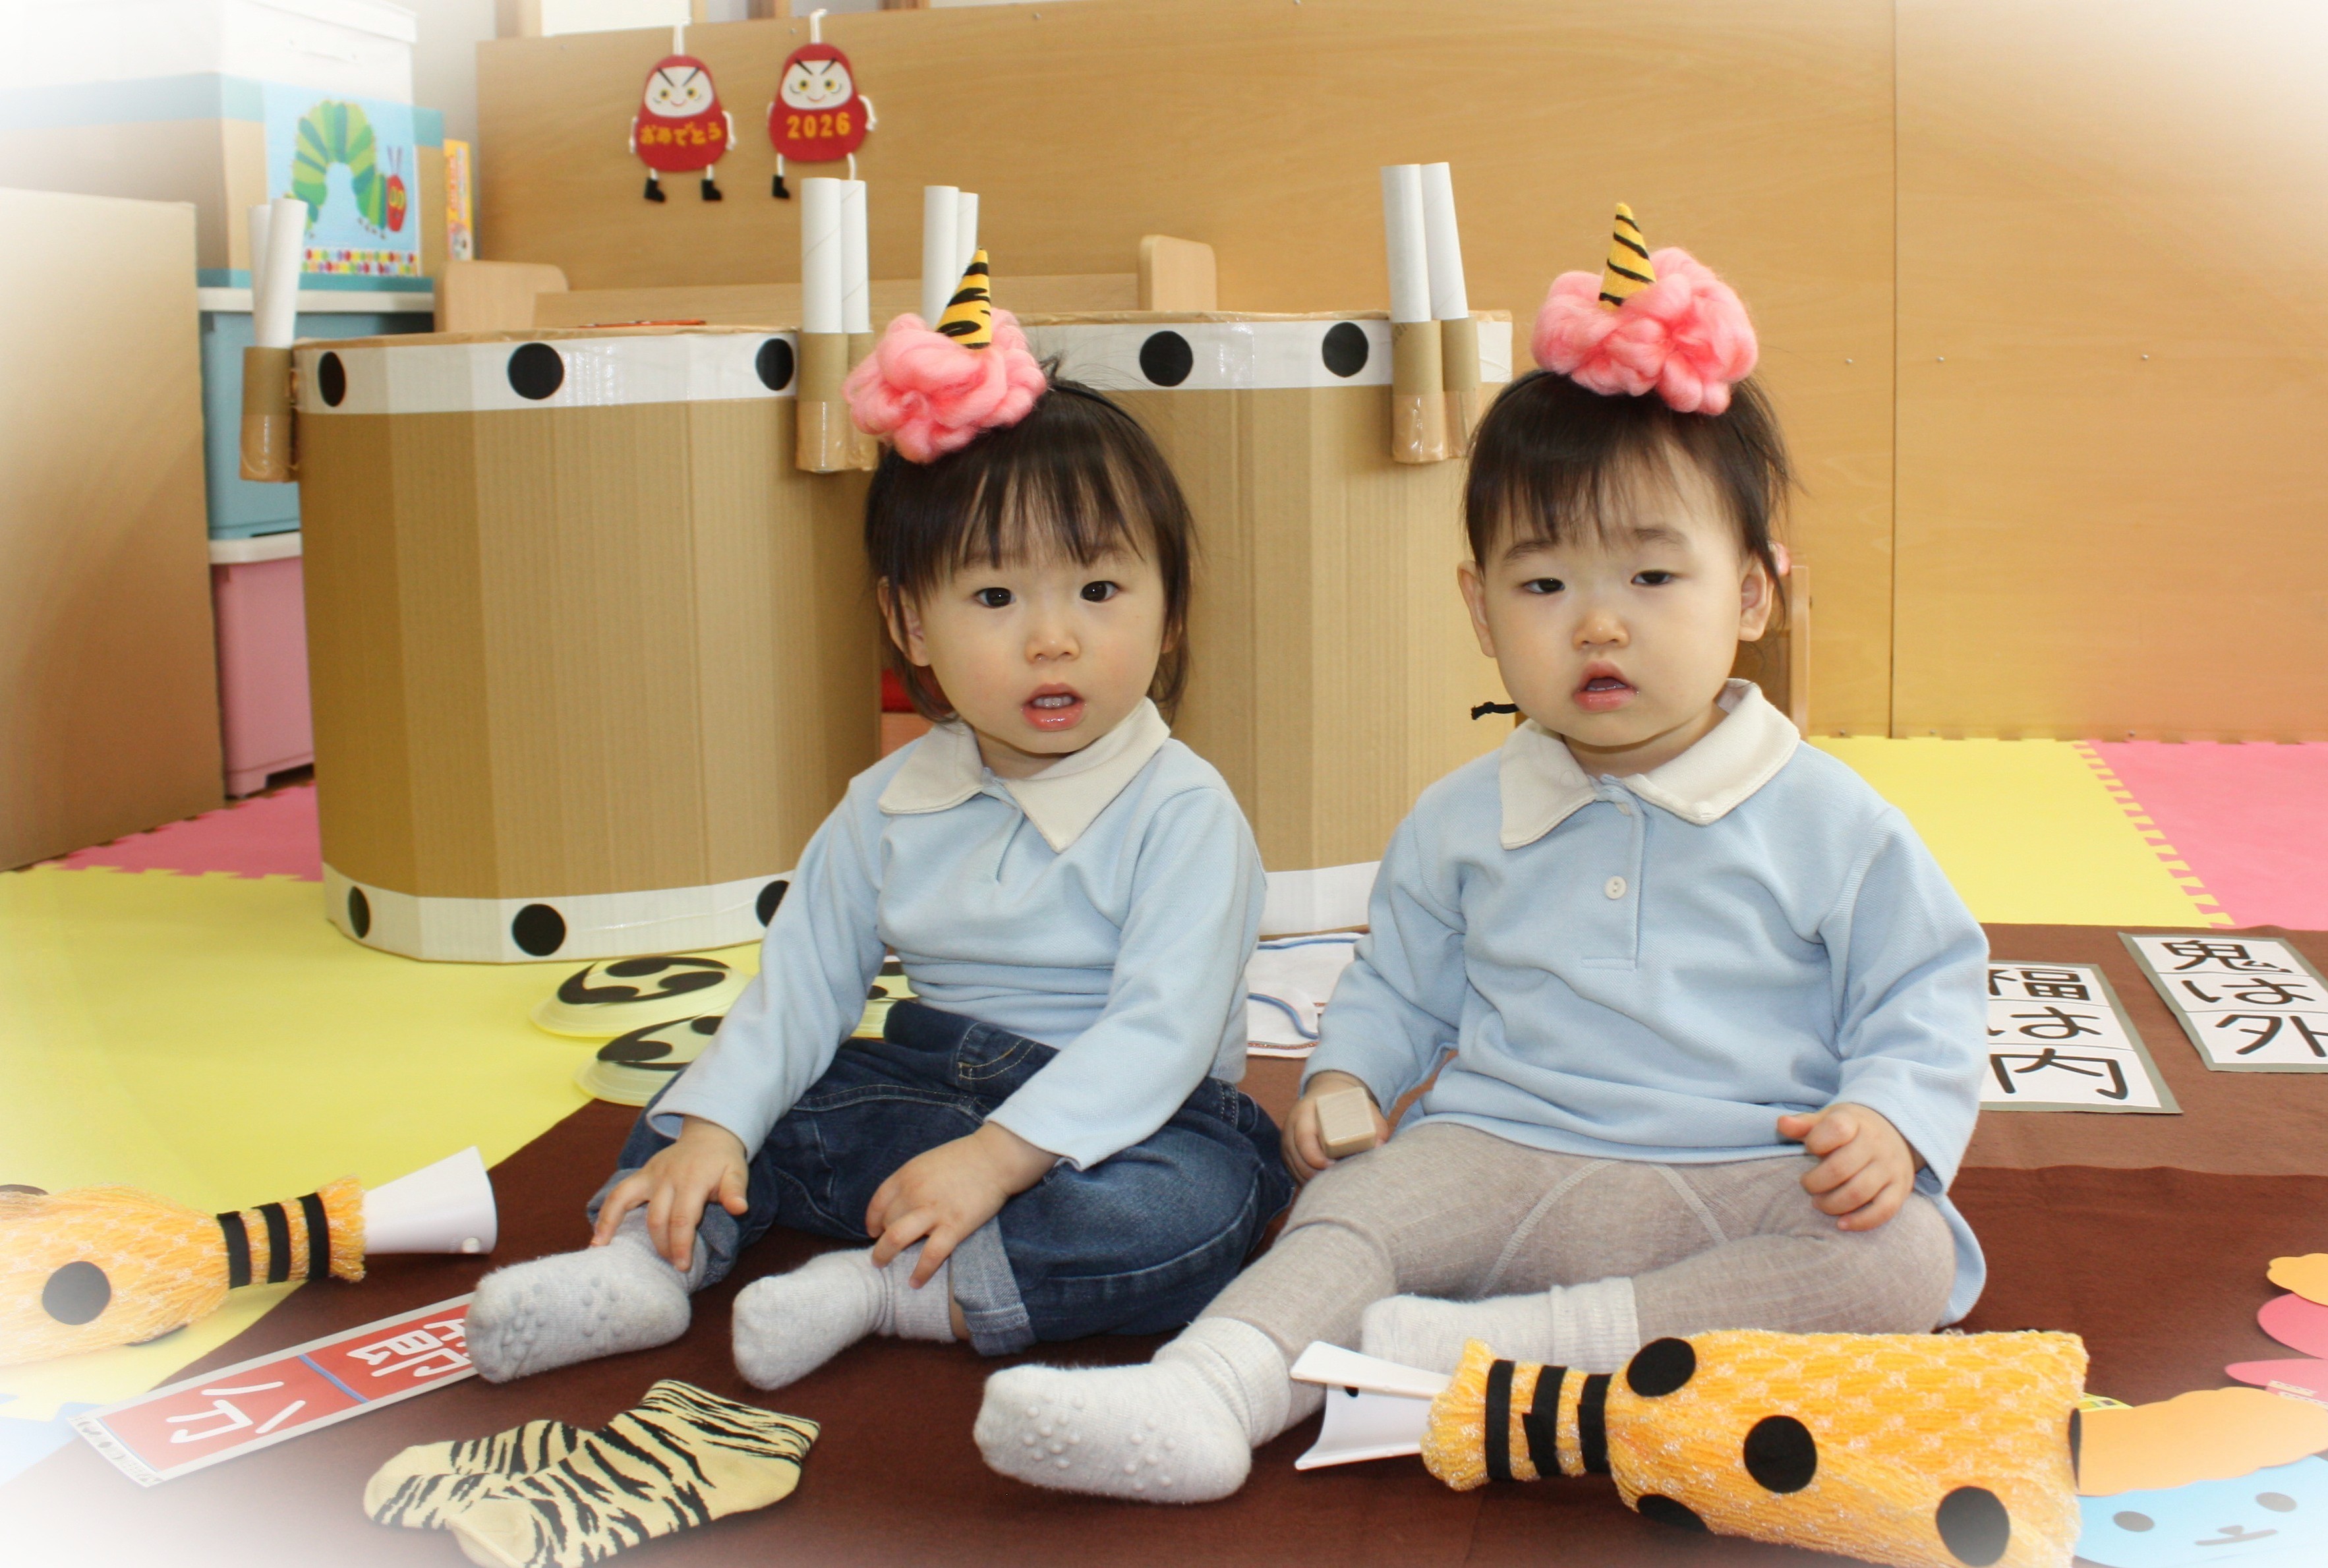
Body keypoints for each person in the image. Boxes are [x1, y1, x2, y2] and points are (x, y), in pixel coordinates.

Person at [972, 210, 1989, 1503]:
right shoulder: (1463, 815)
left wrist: (1889, 1116)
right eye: (1544, 585)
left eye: (1652, 577)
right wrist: (1347, 1074)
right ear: (1478, 608)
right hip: (1500, 1155)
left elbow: (1925, 985)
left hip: (1735, 1171)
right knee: (1349, 1212)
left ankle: (1501, 1349)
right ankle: (1206, 1390)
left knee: (1898, 1259)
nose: (1598, 622)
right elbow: (1400, 983)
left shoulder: (1831, 817)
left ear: (1752, 593)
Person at [463, 256, 1293, 1390]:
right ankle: (647, 1263)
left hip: (1132, 1125)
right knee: (714, 1100)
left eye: (1099, 592)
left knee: (1199, 1212)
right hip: (925, 1089)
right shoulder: (889, 802)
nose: (1053, 640)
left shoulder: (1185, 811)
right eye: (994, 598)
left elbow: (1161, 1033)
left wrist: (998, 1160)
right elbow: (802, 991)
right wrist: (717, 1127)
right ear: (911, 624)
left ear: (1172, 612)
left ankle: (889, 1292)